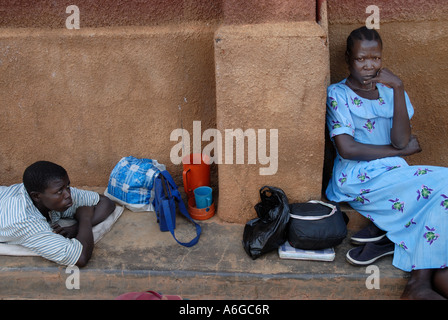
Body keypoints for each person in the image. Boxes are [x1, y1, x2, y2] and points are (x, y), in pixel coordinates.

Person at [325, 26, 448, 299]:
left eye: (376, 58)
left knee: (440, 195)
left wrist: (399, 88)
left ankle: (423, 281)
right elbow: (347, 148)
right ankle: (418, 283)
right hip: (357, 178)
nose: (369, 65)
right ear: (348, 59)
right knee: (446, 183)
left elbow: (401, 140)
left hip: (394, 173)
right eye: (361, 59)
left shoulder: (391, 92)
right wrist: (399, 154)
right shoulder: (338, 94)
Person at [0, 161, 115, 267]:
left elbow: (106, 202)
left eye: (68, 187)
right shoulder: (23, 220)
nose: (68, 195)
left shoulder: (51, 190)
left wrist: (75, 228)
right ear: (36, 196)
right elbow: (80, 258)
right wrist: (85, 219)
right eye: (60, 191)